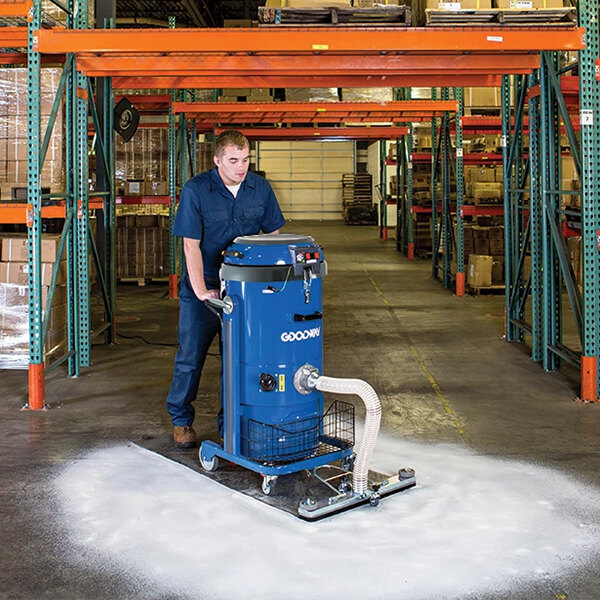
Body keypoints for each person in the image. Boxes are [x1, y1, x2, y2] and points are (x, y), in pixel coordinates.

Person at [166, 130, 285, 448]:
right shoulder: (196, 190)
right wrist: (203, 291)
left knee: (239, 359)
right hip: (202, 287)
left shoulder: (259, 188)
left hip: (243, 290)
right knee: (191, 357)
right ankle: (181, 420)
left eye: (246, 159)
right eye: (233, 160)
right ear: (217, 160)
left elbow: (273, 236)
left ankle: (228, 424)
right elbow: (190, 246)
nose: (241, 166)